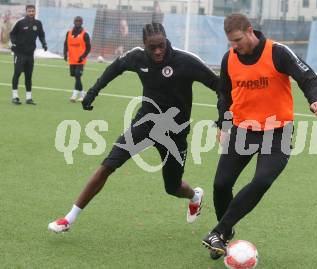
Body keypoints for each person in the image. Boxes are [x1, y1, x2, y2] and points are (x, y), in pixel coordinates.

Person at [48, 23, 219, 233]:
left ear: (166, 40)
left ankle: (194, 196)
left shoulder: (185, 61)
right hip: (144, 123)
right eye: (152, 47)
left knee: (172, 188)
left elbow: (219, 85)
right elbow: (115, 68)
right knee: (107, 166)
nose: (157, 51)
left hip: (175, 132)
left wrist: (224, 117)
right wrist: (92, 92)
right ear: (144, 45)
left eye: (161, 46)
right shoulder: (137, 57)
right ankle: (69, 219)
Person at [202, 13, 317, 259]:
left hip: (277, 132)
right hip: (243, 129)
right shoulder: (230, 58)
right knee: (221, 184)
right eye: (231, 42)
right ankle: (223, 236)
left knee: (261, 181)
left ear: (250, 31)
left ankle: (218, 231)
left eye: (238, 39)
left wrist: (316, 99)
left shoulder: (277, 52)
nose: (235, 46)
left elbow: (307, 75)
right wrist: (223, 123)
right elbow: (224, 95)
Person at [9, 4, 47, 105]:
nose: (31, 13)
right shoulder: (20, 22)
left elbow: (41, 35)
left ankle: (29, 98)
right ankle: (15, 96)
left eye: (32, 11)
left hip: (30, 54)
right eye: (29, 11)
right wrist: (13, 43)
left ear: (35, 12)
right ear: (26, 12)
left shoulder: (38, 23)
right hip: (19, 53)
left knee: (28, 76)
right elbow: (12, 33)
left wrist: (44, 44)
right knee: (17, 74)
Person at [63, 16, 91, 102]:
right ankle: (83, 93)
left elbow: (88, 47)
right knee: (74, 76)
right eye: (76, 21)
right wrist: (65, 54)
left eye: (79, 21)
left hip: (80, 60)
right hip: (72, 59)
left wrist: (82, 56)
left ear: (82, 22)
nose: (78, 22)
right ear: (74, 22)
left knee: (78, 75)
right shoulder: (69, 33)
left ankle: (75, 95)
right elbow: (65, 44)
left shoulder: (85, 34)